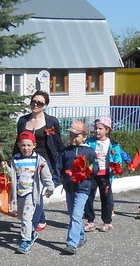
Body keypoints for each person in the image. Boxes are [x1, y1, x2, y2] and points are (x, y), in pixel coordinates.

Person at [14, 91, 65, 233]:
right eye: (33, 101)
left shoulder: (51, 121)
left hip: (44, 161)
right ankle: (41, 219)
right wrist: (13, 159)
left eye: (40, 103)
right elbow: (18, 141)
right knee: (30, 190)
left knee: (35, 191)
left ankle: (32, 226)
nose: (35, 104)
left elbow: (58, 142)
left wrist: (65, 159)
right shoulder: (23, 120)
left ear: (45, 105)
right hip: (25, 160)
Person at [8, 131, 55, 254]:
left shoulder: (38, 160)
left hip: (31, 194)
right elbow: (13, 174)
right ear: (19, 145)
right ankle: (32, 233)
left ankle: (26, 240)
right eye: (23, 145)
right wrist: (5, 168)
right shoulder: (16, 159)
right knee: (21, 216)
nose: (26, 148)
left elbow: (46, 175)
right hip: (19, 193)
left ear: (34, 145)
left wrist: (50, 187)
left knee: (26, 218)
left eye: (29, 145)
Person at [83, 116, 129, 233]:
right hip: (92, 174)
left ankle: (107, 222)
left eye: (100, 129)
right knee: (89, 197)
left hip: (105, 175)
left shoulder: (113, 144)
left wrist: (117, 165)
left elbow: (117, 157)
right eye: (95, 128)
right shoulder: (89, 142)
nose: (96, 131)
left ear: (107, 130)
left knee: (106, 198)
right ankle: (90, 221)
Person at [59, 121, 97, 255]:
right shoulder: (65, 152)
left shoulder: (90, 152)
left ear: (84, 136)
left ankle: (71, 244)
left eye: (77, 135)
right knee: (72, 214)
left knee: (76, 215)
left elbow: (96, 168)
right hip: (69, 187)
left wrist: (90, 169)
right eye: (71, 135)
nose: (73, 138)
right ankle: (81, 236)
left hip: (83, 187)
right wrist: (54, 181)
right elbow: (59, 168)